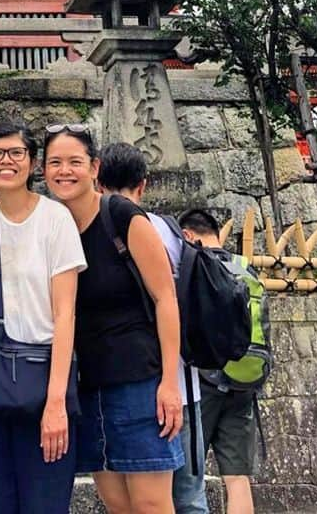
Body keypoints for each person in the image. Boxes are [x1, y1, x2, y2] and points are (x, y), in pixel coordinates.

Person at [43, 125, 183, 514]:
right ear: (43, 171)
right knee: (118, 505)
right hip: (87, 386)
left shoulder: (121, 215)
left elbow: (165, 298)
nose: (64, 171)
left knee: (151, 505)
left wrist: (170, 383)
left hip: (139, 382)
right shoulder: (52, 225)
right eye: (55, 162)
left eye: (75, 162)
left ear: (95, 168)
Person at [0, 120, 86, 514]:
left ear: (33, 163)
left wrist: (56, 401)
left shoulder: (55, 220)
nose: (6, 161)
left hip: (42, 379)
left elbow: (66, 314)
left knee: (44, 501)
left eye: (16, 153)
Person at [97, 142, 208, 514]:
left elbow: (164, 300)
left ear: (96, 178)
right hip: (178, 379)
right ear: (143, 184)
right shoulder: (169, 230)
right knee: (185, 495)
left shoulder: (122, 226)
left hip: (152, 382)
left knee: (152, 501)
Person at [180, 209, 258, 514]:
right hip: (246, 380)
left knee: (190, 477)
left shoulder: (198, 268)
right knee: (237, 478)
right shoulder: (244, 268)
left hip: (205, 382)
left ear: (188, 235)